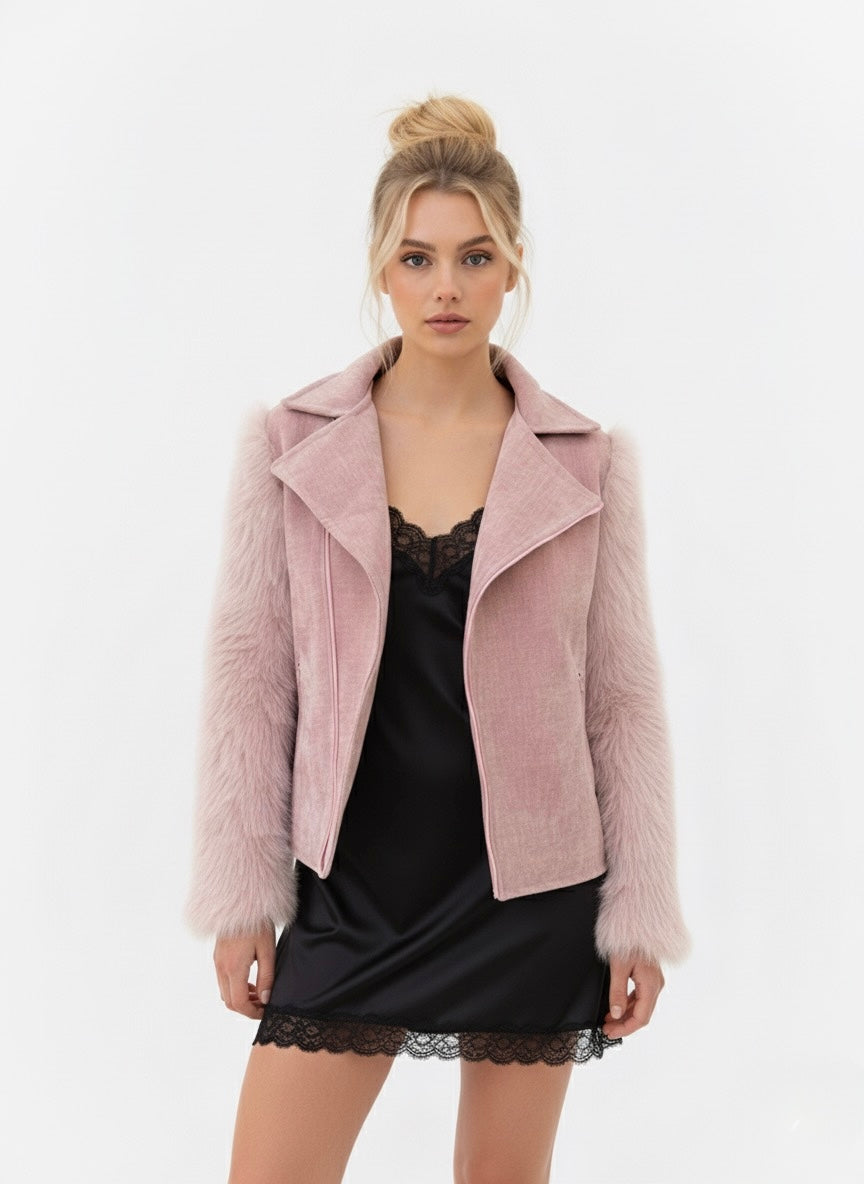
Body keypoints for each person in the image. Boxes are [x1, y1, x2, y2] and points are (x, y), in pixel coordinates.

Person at [183, 93, 692, 1184]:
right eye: (418, 258)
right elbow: (251, 675)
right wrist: (243, 891)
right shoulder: (291, 444)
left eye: (474, 257)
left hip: (530, 890)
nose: (446, 287)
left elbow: (620, 695)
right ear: (383, 268)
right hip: (350, 886)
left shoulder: (586, 462)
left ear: (514, 268)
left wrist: (638, 913)